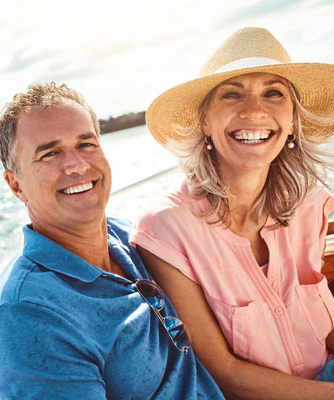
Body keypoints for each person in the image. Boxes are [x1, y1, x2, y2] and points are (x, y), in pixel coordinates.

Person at [0, 82, 224, 399]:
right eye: (50, 153)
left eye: (86, 144)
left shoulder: (128, 237)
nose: (77, 165)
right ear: (16, 185)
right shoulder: (26, 317)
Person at [130, 27, 334, 399]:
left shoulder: (310, 203)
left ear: (292, 120)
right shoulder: (165, 230)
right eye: (232, 94)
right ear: (205, 122)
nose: (254, 110)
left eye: (273, 93)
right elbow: (221, 372)